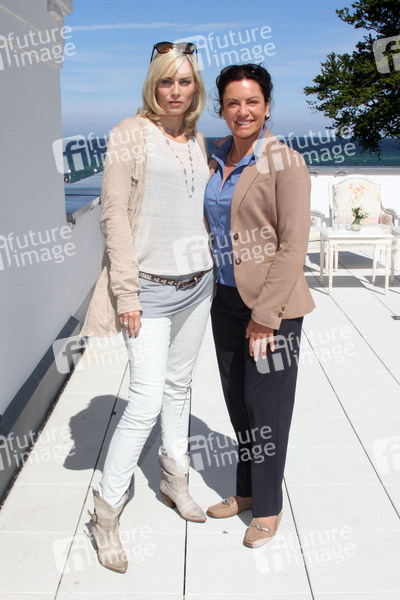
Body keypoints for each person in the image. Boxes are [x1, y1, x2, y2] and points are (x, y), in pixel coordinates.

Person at [81, 41, 214, 573]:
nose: (175, 91)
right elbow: (113, 215)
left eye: (184, 82)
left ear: (195, 88)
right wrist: (128, 293)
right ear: (152, 84)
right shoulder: (129, 133)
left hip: (198, 285)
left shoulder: (198, 139)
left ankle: (174, 479)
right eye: (166, 81)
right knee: (143, 401)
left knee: (179, 387)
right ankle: (106, 510)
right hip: (150, 290)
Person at [204, 64, 315, 548]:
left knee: (266, 407)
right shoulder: (216, 158)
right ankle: (246, 491)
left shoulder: (285, 162)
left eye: (252, 102)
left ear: (267, 106)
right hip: (224, 299)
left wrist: (266, 317)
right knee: (237, 401)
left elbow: (293, 246)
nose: (242, 111)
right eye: (233, 102)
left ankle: (268, 507)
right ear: (222, 109)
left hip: (273, 308)